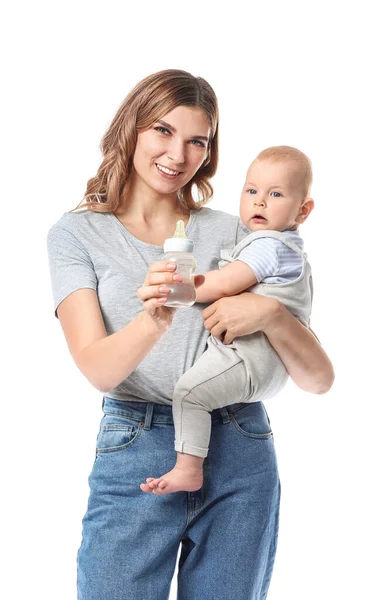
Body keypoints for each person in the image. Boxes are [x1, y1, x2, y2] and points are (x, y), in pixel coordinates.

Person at [47, 69, 334, 600]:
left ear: (210, 151)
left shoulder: (244, 231)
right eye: (161, 130)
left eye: (196, 140)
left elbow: (318, 379)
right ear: (130, 128)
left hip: (239, 445)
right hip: (136, 445)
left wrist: (269, 314)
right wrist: (154, 316)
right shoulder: (76, 234)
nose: (177, 155)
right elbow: (97, 367)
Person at [142, 145, 315, 496]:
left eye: (275, 193)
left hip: (249, 358)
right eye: (251, 191)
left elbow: (225, 282)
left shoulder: (270, 244)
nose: (259, 202)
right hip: (261, 363)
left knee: (189, 393)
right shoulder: (277, 244)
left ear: (303, 210)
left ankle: (188, 468)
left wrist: (181, 286)